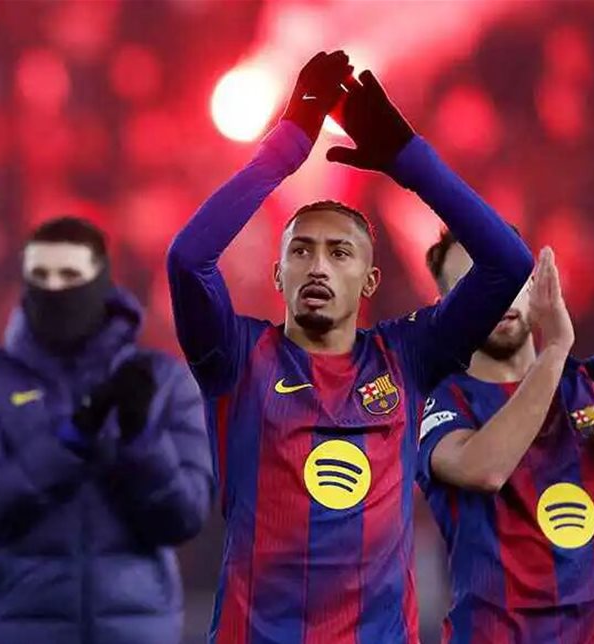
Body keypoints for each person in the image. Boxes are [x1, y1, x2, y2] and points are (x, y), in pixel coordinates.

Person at [166, 51, 533, 643]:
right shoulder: (235, 356)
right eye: (301, 250)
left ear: (369, 280)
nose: (318, 265)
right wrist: (286, 147)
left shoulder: (407, 355)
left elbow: (508, 264)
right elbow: (188, 259)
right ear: (279, 274)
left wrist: (409, 160)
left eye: (340, 253)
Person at [416, 227, 594, 642]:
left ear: (535, 282)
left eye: (506, 278)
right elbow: (485, 469)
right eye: (473, 286)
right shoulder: (438, 401)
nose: (497, 297)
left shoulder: (593, 382)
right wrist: (554, 350)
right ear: (447, 309)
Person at [0, 216, 212, 644]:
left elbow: (184, 517)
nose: (54, 288)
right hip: (22, 631)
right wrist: (70, 441)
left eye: (69, 275)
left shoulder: (162, 380)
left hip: (137, 631)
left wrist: (140, 442)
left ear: (100, 281)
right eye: (40, 276)